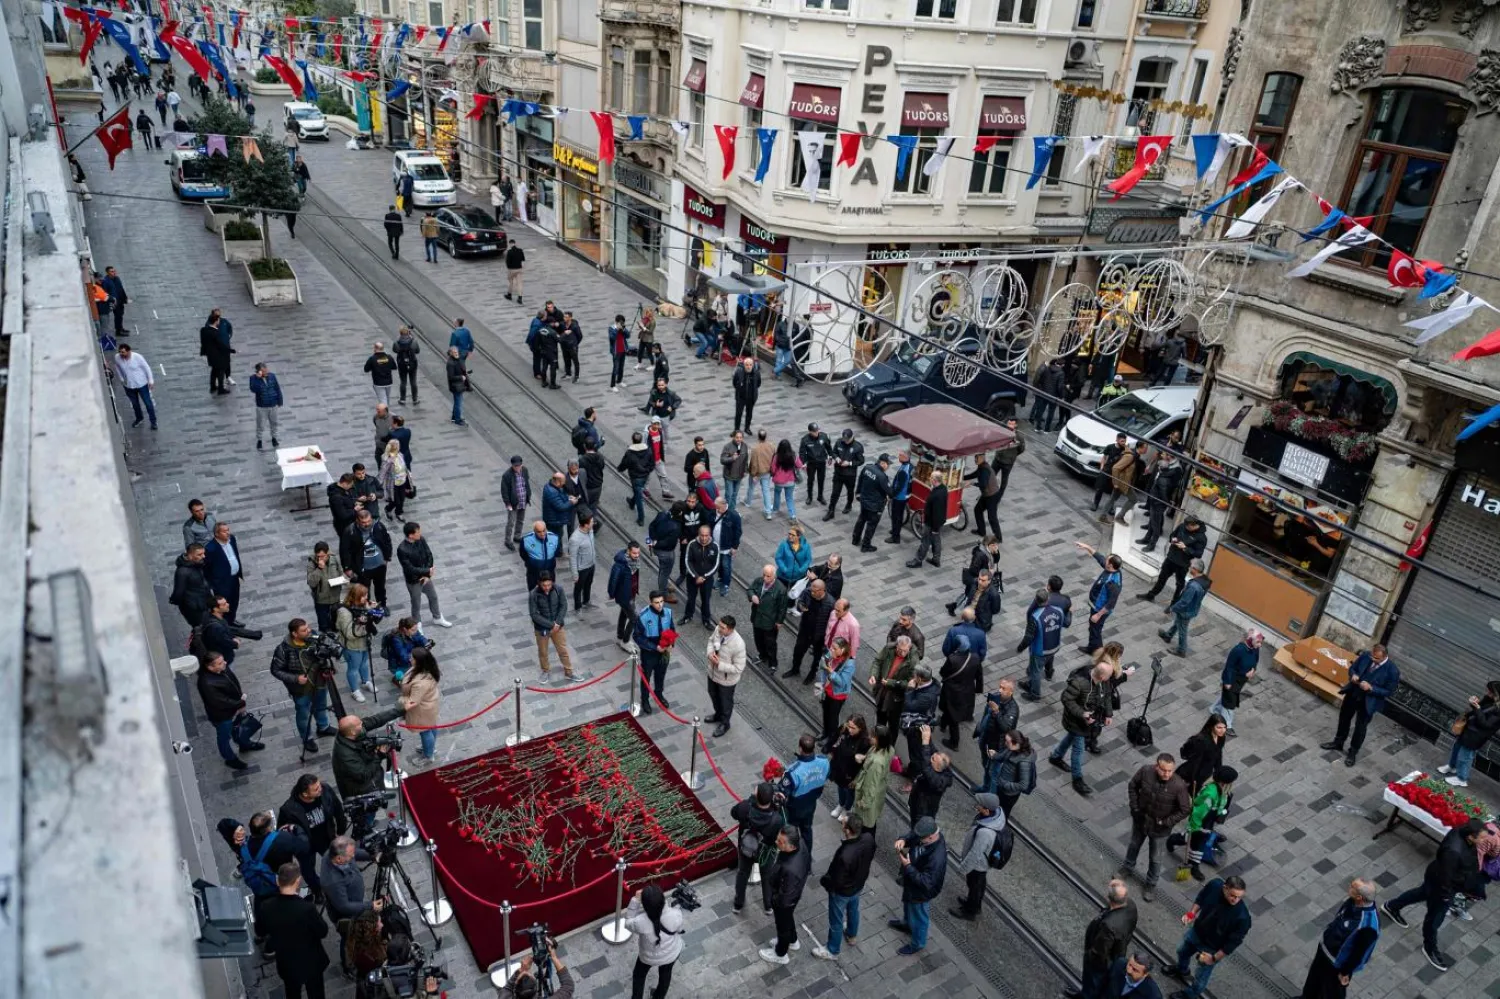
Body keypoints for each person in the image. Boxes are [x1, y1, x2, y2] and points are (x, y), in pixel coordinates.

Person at [1381, 818, 1484, 972]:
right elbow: (1446, 876)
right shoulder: (1454, 851)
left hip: (1438, 878)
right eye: (1481, 837)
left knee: (1421, 893)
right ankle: (1430, 947)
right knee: (1435, 918)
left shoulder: (1461, 835)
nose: (1483, 840)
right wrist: (1445, 896)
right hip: (1443, 886)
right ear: (1471, 836)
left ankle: (1392, 906)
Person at [1118, 754, 1191, 904]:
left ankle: (1150, 885)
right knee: (1134, 845)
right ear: (1157, 766)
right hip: (1142, 820)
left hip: (1160, 829)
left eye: (1170, 771)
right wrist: (1135, 808)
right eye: (1163, 770)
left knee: (1156, 858)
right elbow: (1133, 785)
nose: (1167, 774)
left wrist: (1166, 822)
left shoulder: (1178, 786)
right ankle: (1127, 868)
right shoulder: (1146, 771)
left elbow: (1185, 809)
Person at [1167, 876, 1251, 998]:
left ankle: (1190, 995)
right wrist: (1191, 914)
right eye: (1233, 895)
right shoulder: (1214, 885)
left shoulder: (1243, 918)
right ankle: (1182, 969)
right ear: (1225, 888)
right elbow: (1201, 898)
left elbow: (1232, 944)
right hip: (1197, 932)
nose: (1236, 900)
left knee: (1201, 976)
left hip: (1212, 948)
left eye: (1240, 897)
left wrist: (1213, 958)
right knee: (1182, 951)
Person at [1319, 643, 1400, 767]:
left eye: (1376, 658)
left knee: (1360, 727)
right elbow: (1352, 668)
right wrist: (1353, 675)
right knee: (1344, 718)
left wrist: (1371, 688)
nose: (1372, 659)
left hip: (1368, 701)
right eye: (1372, 656)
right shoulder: (1366, 655)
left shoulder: (1393, 671)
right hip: (1353, 692)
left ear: (1384, 657)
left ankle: (1352, 752)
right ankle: (1338, 742)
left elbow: (1389, 692)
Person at [810, 811, 876, 961]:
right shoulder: (868, 839)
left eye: (843, 824)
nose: (842, 826)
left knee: (836, 920)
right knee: (853, 910)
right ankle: (852, 935)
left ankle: (833, 949)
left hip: (842, 892)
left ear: (847, 830)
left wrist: (826, 883)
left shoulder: (845, 854)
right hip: (858, 885)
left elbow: (837, 880)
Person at [258, 863, 330, 999]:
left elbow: (260, 931)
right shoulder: (306, 909)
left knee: (292, 993)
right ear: (297, 881)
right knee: (316, 993)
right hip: (311, 962)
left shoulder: (266, 906)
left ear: (278, 880)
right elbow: (323, 931)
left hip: (287, 962)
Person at [1301, 879, 1381, 999]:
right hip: (1324, 951)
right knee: (1313, 980)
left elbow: (1358, 953)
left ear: (1359, 897)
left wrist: (1345, 972)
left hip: (1336, 964)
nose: (1349, 888)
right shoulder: (1351, 901)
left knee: (1331, 993)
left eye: (1352, 887)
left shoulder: (1368, 925)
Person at [271, 620, 335, 757]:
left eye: (308, 628)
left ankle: (323, 727)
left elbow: (324, 657)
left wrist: (330, 668)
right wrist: (295, 679)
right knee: (303, 713)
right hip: (300, 689)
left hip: (319, 682)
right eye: (304, 630)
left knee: (321, 706)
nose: (309, 631)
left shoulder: (314, 639)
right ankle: (307, 738)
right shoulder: (283, 649)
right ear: (294, 633)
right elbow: (276, 670)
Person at [1050, 662, 1114, 796]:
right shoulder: (1079, 683)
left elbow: (1107, 695)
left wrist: (1108, 713)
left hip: (1089, 722)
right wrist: (1082, 713)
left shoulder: (1104, 682)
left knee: (1070, 738)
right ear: (1102, 676)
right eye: (1109, 674)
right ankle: (1077, 779)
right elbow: (1066, 699)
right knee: (1078, 750)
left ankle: (1056, 756)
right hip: (1075, 722)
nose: (1111, 676)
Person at [196, 652, 264, 770]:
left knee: (239, 727)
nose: (225, 663)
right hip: (223, 716)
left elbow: (234, 682)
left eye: (223, 661)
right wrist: (240, 703)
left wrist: (240, 698)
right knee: (224, 737)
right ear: (210, 667)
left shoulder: (222, 669)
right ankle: (230, 758)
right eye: (220, 663)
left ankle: (244, 744)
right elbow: (220, 702)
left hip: (234, 708)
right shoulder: (206, 683)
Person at [891, 815, 946, 955]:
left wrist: (908, 867)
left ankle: (917, 943)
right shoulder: (925, 836)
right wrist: (903, 839)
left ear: (931, 837)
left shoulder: (937, 858)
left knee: (920, 916)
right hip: (912, 882)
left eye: (922, 837)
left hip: (921, 892)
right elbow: (913, 835)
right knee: (908, 904)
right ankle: (908, 924)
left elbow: (926, 882)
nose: (919, 838)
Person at [949, 792, 1007, 922]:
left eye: (979, 805)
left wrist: (963, 868)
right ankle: (975, 905)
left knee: (974, 886)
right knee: (978, 886)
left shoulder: (985, 833)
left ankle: (970, 911)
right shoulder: (996, 814)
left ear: (986, 811)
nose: (976, 806)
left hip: (978, 865)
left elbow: (975, 853)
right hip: (982, 863)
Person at [331, 704, 408, 798]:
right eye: (359, 724)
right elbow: (363, 775)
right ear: (353, 732)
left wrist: (402, 710)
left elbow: (376, 719)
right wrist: (379, 755)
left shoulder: (349, 732)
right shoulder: (345, 755)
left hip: (372, 780)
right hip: (362, 793)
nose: (362, 724)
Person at [759, 826, 811, 965]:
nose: (776, 842)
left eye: (781, 842)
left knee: (782, 926)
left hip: (785, 900)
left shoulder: (790, 869)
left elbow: (785, 897)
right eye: (778, 838)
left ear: (792, 846)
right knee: (788, 921)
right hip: (792, 894)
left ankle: (780, 953)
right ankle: (792, 941)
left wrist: (775, 900)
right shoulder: (801, 844)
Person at [623, 885, 684, 999]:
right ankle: (658, 996)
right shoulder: (675, 914)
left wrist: (635, 900)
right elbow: (679, 930)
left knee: (639, 976)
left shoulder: (640, 922)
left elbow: (627, 923)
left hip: (648, 957)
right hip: (672, 952)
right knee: (665, 975)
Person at [1438, 680, 1500, 787]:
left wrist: (1477, 708)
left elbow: (1485, 724)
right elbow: (1478, 710)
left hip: (1477, 736)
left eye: (1491, 692)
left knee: (1465, 756)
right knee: (1456, 748)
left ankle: (1462, 779)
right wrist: (1474, 703)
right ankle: (1452, 766)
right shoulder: (1489, 699)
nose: (1488, 693)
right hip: (1468, 729)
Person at [778, 733, 830, 850]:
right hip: (811, 804)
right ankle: (807, 858)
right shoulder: (824, 762)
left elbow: (782, 791)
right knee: (807, 829)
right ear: (814, 747)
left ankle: (794, 856)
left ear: (800, 748)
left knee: (791, 832)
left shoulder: (793, 771)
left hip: (795, 808)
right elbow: (826, 776)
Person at [277, 774, 348, 860]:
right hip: (307, 845)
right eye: (316, 789)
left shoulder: (326, 790)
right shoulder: (289, 810)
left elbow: (338, 809)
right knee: (308, 870)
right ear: (305, 794)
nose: (320, 789)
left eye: (319, 785)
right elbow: (281, 832)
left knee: (335, 859)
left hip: (328, 838)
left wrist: (341, 831)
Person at [1137, 517, 1207, 605]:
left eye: (1188, 527)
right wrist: (1173, 539)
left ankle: (1173, 604)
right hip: (1171, 558)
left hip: (1182, 564)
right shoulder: (1182, 526)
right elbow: (1172, 535)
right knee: (1161, 578)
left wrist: (1185, 548)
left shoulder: (1201, 538)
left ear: (1194, 526)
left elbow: (1198, 554)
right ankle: (1150, 596)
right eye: (1185, 526)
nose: (1185, 528)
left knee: (1179, 585)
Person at [395, 522, 450, 627]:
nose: (420, 533)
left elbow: (429, 554)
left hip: (425, 577)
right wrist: (427, 571)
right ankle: (416, 624)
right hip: (414, 581)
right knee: (416, 603)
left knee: (433, 597)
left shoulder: (421, 539)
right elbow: (409, 568)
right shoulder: (402, 549)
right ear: (411, 535)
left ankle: (437, 617)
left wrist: (427, 574)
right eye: (418, 532)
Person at [1018, 586, 1067, 701]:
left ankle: (1035, 694)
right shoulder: (1058, 610)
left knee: (1035, 672)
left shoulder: (1035, 617)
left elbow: (1028, 637)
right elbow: (1065, 622)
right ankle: (1035, 681)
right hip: (1054, 646)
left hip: (1040, 650)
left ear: (1036, 600)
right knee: (1045, 662)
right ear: (1048, 599)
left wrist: (1020, 648)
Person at [1210, 630, 1262, 734]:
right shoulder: (1238, 650)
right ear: (1251, 640)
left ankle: (1214, 708)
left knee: (1228, 697)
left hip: (1242, 680)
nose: (1260, 645)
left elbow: (1255, 660)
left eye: (1260, 642)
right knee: (1230, 703)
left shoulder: (1255, 649)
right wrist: (1227, 682)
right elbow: (1229, 666)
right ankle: (1227, 725)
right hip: (1232, 679)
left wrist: (1253, 670)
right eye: (1258, 642)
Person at [1077, 542, 1123, 655]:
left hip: (1099, 610)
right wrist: (1088, 547)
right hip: (1095, 606)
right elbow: (1100, 558)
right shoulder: (1111, 569)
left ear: (1111, 565)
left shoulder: (1113, 583)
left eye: (1108, 560)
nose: (1105, 560)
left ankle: (1099, 654)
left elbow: (1111, 603)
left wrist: (1098, 615)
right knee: (1093, 629)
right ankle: (1091, 648)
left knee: (1096, 631)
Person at [341, 508, 392, 609]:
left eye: (369, 521)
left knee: (380, 588)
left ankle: (382, 606)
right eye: (364, 522)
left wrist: (387, 557)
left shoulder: (378, 526)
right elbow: (345, 550)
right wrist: (347, 568)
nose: (367, 524)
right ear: (357, 521)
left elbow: (387, 541)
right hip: (363, 567)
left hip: (380, 565)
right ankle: (366, 608)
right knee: (365, 590)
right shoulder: (350, 531)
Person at [335, 584, 377, 703]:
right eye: (363, 596)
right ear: (355, 596)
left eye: (366, 595)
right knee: (353, 668)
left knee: (364, 664)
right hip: (352, 646)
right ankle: (355, 690)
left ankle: (365, 681)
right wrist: (361, 623)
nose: (366, 598)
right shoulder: (344, 612)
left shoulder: (362, 606)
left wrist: (371, 611)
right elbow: (349, 633)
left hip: (364, 643)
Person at [634, 591, 676, 712]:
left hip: (664, 650)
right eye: (656, 602)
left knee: (661, 674)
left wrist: (671, 644)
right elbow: (637, 636)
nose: (660, 605)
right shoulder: (643, 616)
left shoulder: (668, 612)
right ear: (651, 602)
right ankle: (645, 699)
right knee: (646, 676)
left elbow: (672, 628)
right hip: (649, 652)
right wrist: (654, 647)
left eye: (662, 601)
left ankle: (659, 694)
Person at [1160, 560, 1210, 657]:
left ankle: (1181, 650)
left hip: (1186, 611)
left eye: (1191, 567)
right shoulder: (1205, 580)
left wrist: (1172, 608)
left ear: (1195, 570)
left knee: (1182, 629)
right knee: (1178, 622)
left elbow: (1184, 602)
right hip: (1192, 608)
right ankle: (1168, 635)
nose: (1189, 568)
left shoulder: (1194, 586)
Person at [937, 637, 981, 749]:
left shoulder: (953, 659)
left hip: (952, 691)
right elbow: (979, 675)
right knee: (950, 710)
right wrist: (979, 689)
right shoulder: (975, 657)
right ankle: (942, 723)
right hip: (967, 690)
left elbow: (943, 672)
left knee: (953, 717)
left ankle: (954, 742)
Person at [399, 647, 441, 763]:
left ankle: (428, 755)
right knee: (431, 727)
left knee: (425, 732)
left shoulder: (421, 683)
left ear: (418, 661)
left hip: (421, 711)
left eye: (412, 657)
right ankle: (430, 748)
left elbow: (412, 702)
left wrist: (401, 700)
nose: (409, 658)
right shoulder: (427, 669)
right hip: (429, 706)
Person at [528, 572, 574, 679]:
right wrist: (552, 624)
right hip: (542, 629)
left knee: (562, 650)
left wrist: (557, 622)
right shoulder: (533, 594)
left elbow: (563, 605)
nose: (547, 588)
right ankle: (545, 670)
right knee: (543, 651)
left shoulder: (559, 589)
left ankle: (569, 671)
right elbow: (534, 614)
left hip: (558, 627)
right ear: (539, 583)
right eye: (544, 585)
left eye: (549, 585)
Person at [786, 578, 833, 682]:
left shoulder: (830, 603)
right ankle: (795, 669)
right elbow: (800, 602)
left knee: (817, 657)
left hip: (819, 635)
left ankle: (812, 674)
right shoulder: (808, 592)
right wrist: (800, 606)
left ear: (822, 591)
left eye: (814, 591)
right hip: (805, 630)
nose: (811, 592)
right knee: (798, 651)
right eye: (811, 590)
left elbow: (831, 623)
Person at [1139, 456, 1187, 552]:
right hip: (1155, 502)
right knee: (1153, 523)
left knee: (1156, 527)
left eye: (1158, 467)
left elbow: (1164, 494)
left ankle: (1151, 545)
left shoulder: (1163, 479)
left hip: (1158, 504)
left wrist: (1167, 503)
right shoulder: (1163, 476)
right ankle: (1146, 539)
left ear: (1160, 468)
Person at [747, 563, 788, 674]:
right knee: (758, 640)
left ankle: (773, 663)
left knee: (770, 643)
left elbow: (782, 607)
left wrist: (779, 621)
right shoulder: (759, 581)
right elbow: (750, 589)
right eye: (764, 575)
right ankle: (762, 655)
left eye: (768, 576)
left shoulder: (780, 589)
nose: (765, 578)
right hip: (757, 618)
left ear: (774, 576)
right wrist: (752, 596)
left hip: (770, 622)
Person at [203, 522, 246, 625]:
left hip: (234, 579)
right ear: (216, 534)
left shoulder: (232, 539)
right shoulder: (210, 548)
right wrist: (212, 585)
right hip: (221, 583)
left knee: (234, 602)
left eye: (228, 530)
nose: (228, 533)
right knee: (223, 605)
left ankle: (231, 620)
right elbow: (206, 569)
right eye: (224, 531)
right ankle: (225, 624)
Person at [818, 636, 858, 747]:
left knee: (833, 717)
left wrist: (831, 672)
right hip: (827, 690)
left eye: (835, 648)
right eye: (832, 647)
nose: (832, 650)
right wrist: (825, 660)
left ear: (843, 650)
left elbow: (842, 682)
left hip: (838, 695)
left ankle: (831, 738)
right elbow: (822, 663)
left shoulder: (849, 664)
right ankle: (825, 732)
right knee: (825, 713)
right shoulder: (832, 655)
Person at [905, 472, 949, 569]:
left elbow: (936, 512)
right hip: (938, 522)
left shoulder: (936, 495)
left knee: (925, 541)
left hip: (932, 523)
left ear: (934, 480)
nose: (929, 479)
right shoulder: (943, 489)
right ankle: (936, 559)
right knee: (936, 540)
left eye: (931, 478)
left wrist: (935, 528)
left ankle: (918, 560)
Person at [1177, 715, 1227, 798]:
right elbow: (1195, 761)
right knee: (1188, 792)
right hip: (1195, 772)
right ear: (1211, 726)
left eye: (1224, 727)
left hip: (1206, 771)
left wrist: (1218, 770)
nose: (1223, 730)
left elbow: (1218, 753)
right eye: (1219, 727)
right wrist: (1194, 779)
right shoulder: (1201, 741)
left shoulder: (1221, 737)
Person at [851, 453, 892, 552]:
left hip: (864, 501)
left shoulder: (867, 468)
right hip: (875, 505)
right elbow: (890, 492)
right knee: (871, 525)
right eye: (888, 464)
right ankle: (865, 545)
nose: (888, 466)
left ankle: (855, 539)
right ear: (882, 463)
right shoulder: (882, 476)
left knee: (861, 520)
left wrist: (858, 493)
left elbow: (860, 480)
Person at [113, 343, 158, 430]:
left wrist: (151, 381)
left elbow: (147, 368)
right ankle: (139, 418)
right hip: (128, 386)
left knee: (148, 404)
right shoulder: (117, 357)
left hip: (141, 384)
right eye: (120, 352)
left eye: (123, 352)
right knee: (135, 404)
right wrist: (121, 379)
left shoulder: (138, 357)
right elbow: (117, 367)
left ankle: (153, 422)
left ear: (129, 351)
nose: (121, 354)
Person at [169, 543, 215, 627]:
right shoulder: (182, 572)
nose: (203, 556)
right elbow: (178, 593)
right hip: (195, 608)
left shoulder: (197, 564)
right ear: (190, 555)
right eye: (199, 554)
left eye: (203, 553)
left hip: (204, 602)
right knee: (201, 628)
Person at [683, 525, 720, 627]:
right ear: (698, 534)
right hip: (692, 578)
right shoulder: (692, 544)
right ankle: (688, 615)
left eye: (706, 535)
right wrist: (696, 576)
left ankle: (706, 619)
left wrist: (704, 577)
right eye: (702, 535)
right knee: (691, 598)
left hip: (707, 580)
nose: (704, 538)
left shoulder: (715, 546)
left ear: (710, 535)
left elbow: (716, 565)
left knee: (706, 600)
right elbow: (687, 561)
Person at [608, 541, 642, 651]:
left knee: (624, 614)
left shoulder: (634, 562)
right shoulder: (620, 565)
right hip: (624, 595)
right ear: (628, 551)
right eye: (634, 553)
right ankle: (625, 641)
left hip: (631, 593)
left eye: (638, 553)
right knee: (634, 619)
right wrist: (611, 593)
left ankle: (620, 636)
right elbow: (613, 580)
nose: (637, 556)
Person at [966, 453, 1003, 540]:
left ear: (982, 458)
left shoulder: (984, 469)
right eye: (975, 458)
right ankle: (981, 531)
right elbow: (975, 474)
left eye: (977, 459)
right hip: (987, 495)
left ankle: (998, 537)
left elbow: (983, 484)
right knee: (977, 510)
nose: (975, 460)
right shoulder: (982, 466)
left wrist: (971, 483)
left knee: (992, 517)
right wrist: (963, 477)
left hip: (992, 496)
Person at [645, 506, 680, 599]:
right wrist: (656, 544)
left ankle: (663, 587)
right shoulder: (675, 526)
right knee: (665, 572)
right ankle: (663, 593)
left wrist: (654, 540)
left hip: (657, 548)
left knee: (662, 569)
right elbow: (669, 542)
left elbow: (651, 526)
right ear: (680, 513)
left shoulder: (661, 514)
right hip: (666, 552)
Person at [519, 520, 560, 592]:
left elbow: (556, 552)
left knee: (550, 592)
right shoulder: (526, 540)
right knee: (533, 593)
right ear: (534, 531)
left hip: (549, 572)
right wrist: (531, 563)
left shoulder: (554, 538)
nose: (542, 534)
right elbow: (523, 554)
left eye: (544, 531)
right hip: (534, 573)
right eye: (539, 531)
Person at [1092, 434, 1130, 512]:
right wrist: (1102, 467)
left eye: (1125, 441)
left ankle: (1111, 507)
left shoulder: (1125, 449)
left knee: (1113, 491)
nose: (1123, 443)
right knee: (1100, 488)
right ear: (1117, 440)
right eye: (1122, 441)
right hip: (1106, 470)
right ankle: (1095, 504)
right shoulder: (1110, 447)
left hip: (1116, 473)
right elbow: (1104, 457)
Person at [199, 310, 233, 396]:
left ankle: (213, 386)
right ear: (215, 321)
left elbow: (203, 343)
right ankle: (221, 389)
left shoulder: (203, 330)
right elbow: (220, 345)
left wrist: (203, 352)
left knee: (214, 370)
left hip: (210, 355)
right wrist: (231, 350)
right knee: (220, 371)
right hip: (218, 355)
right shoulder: (215, 333)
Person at [768, 440, 803, 522]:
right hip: (790, 481)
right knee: (789, 498)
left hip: (778, 481)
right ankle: (793, 516)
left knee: (777, 494)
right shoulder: (793, 455)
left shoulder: (777, 456)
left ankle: (775, 508)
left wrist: (773, 474)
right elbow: (799, 465)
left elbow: (773, 469)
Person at [800, 423, 831, 504]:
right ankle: (809, 497)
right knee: (810, 480)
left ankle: (820, 496)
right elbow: (802, 453)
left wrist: (830, 457)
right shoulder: (805, 440)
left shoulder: (824, 436)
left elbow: (829, 448)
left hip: (821, 462)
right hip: (811, 463)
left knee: (821, 479)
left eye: (817, 430)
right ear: (810, 431)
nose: (817, 432)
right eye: (815, 431)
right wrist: (803, 462)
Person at [993, 419, 1025, 498]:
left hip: (1007, 462)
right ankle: (986, 493)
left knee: (1004, 480)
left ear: (1016, 425)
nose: (1010, 425)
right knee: (990, 476)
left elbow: (1021, 449)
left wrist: (1012, 455)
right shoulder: (1003, 431)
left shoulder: (1019, 436)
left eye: (1012, 424)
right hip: (997, 459)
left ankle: (999, 496)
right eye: (1009, 423)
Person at [774, 526, 813, 590]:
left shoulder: (806, 546)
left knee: (793, 595)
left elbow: (808, 559)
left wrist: (801, 570)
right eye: (789, 534)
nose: (790, 536)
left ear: (799, 536)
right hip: (783, 577)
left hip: (798, 577)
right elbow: (778, 558)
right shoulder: (783, 544)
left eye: (793, 535)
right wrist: (784, 569)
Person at [99, 265, 129, 337]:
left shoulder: (117, 278)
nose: (114, 273)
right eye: (111, 271)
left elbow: (121, 289)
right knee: (118, 316)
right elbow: (105, 292)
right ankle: (118, 331)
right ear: (107, 272)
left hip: (120, 300)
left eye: (114, 271)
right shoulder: (106, 281)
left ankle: (121, 328)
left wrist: (125, 298)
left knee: (121, 314)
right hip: (114, 301)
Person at [445, 347, 469, 426]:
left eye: (457, 352)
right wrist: (461, 377)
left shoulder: (456, 359)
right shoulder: (450, 363)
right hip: (455, 386)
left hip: (459, 385)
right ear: (451, 353)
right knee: (459, 403)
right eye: (454, 352)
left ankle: (454, 417)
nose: (456, 353)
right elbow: (451, 377)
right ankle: (458, 420)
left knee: (457, 402)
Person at [504, 238, 526, 303]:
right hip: (519, 269)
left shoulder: (509, 252)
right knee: (519, 284)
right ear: (515, 243)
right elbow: (523, 260)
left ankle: (509, 295)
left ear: (510, 244)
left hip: (512, 270)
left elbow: (507, 263)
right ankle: (520, 298)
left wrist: (509, 269)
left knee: (511, 282)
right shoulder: (520, 250)